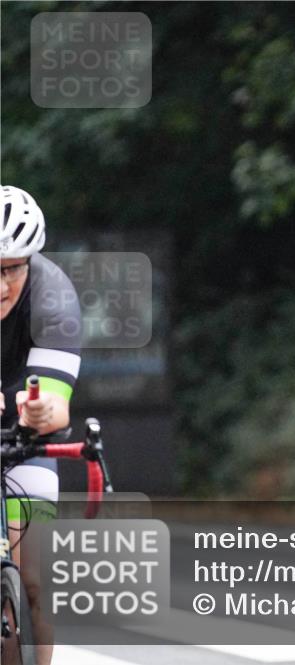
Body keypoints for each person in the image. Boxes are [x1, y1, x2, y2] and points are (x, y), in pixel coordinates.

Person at [1, 184, 82, 665]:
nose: (2, 284)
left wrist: (39, 410)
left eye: (11, 269)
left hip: (21, 437)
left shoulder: (55, 298)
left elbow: (57, 403)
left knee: (35, 579)